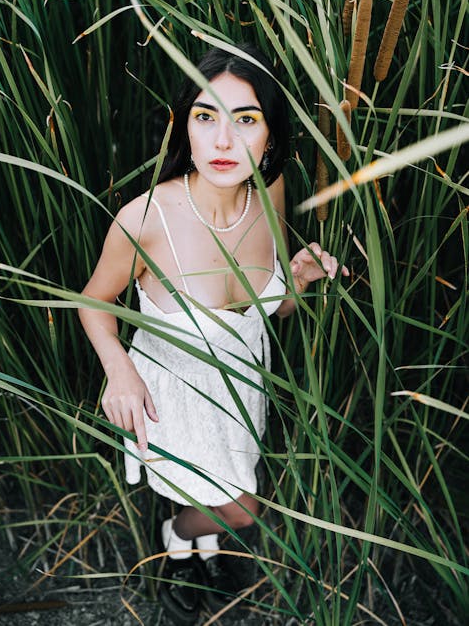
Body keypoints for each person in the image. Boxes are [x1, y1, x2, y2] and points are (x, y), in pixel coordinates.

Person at [79, 43, 348, 624]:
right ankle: (177, 536)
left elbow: (273, 314)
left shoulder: (267, 194)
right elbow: (94, 302)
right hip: (170, 398)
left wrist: (297, 281)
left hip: (242, 392)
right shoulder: (146, 218)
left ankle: (197, 549)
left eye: (246, 120)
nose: (224, 142)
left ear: (270, 136)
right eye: (207, 117)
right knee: (240, 507)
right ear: (186, 128)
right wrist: (118, 369)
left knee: (227, 487)